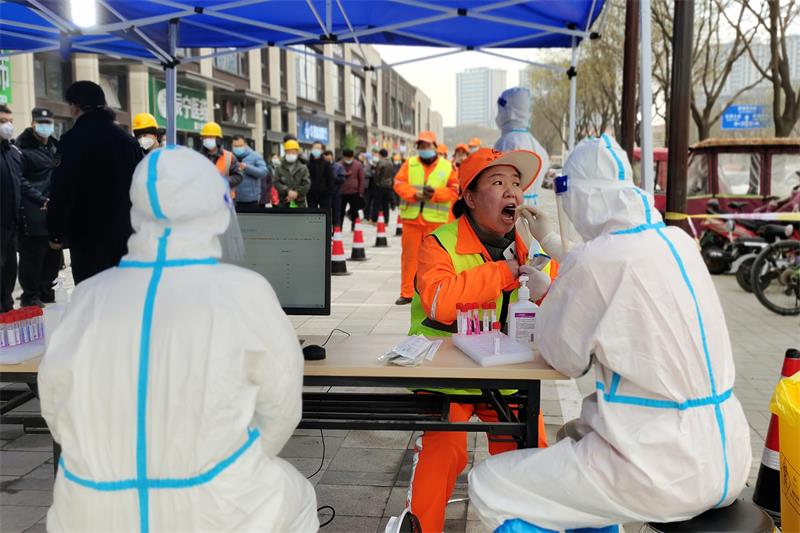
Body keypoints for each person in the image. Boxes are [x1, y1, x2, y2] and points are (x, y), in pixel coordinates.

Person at [468, 135, 752, 531]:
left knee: (489, 483)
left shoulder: (595, 261)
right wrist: (555, 250)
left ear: (580, 196)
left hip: (657, 465)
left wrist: (549, 296)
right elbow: (623, 280)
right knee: (573, 442)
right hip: (727, 454)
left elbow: (564, 358)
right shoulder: (678, 243)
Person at [38, 146, 319, 532]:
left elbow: (55, 404)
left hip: (88, 508)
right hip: (214, 504)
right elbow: (282, 410)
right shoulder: (244, 292)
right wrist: (228, 460)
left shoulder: (88, 296)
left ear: (136, 213)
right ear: (217, 209)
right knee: (296, 495)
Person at [400, 148, 552, 533]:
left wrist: (550, 257)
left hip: (506, 379)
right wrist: (502, 272)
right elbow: (440, 302)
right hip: (446, 379)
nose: (511, 193)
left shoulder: (529, 245)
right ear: (469, 197)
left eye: (516, 184)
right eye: (498, 183)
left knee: (530, 455)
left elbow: (564, 305)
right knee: (443, 452)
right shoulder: (440, 242)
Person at [47, 81, 142, 284]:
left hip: (86, 234)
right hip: (125, 232)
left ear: (74, 106)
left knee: (91, 296)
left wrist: (55, 232)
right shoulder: (127, 141)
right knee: (122, 293)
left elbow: (62, 189)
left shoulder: (72, 141)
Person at [393, 131, 459, 306]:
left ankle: (431, 293)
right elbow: (399, 184)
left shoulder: (447, 167)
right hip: (412, 221)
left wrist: (435, 194)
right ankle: (407, 293)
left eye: (427, 145)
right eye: (421, 146)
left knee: (434, 260)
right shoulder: (410, 164)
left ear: (435, 147)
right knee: (409, 258)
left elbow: (454, 190)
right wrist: (415, 194)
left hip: (436, 222)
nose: (424, 149)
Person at [16, 107, 61, 307]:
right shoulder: (22, 149)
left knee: (53, 251)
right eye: (41, 123)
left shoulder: (54, 147)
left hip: (54, 207)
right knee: (33, 254)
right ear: (33, 123)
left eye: (48, 123)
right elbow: (20, 180)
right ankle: (30, 295)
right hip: (33, 208)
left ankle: (46, 290)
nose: (45, 127)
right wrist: (40, 198)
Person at [494, 87, 550, 207]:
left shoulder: (506, 143)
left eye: (500, 110)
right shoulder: (536, 145)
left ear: (509, 111)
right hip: (533, 209)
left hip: (509, 210)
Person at [199, 121, 243, 192]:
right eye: (205, 137)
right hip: (204, 197)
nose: (206, 139)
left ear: (217, 139)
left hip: (224, 198)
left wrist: (222, 181)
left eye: (210, 137)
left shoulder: (229, 156)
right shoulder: (198, 157)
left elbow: (238, 176)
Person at [231, 135, 268, 209]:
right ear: (232, 146)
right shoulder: (229, 156)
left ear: (245, 144)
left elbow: (263, 172)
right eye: (235, 146)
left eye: (240, 145)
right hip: (233, 199)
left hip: (250, 200)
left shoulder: (255, 156)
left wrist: (246, 167)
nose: (238, 148)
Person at [274, 139, 310, 207]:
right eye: (288, 152)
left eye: (293, 152)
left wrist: (297, 193)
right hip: (284, 203)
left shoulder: (303, 168)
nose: (290, 154)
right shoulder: (279, 168)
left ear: (297, 153)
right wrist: (287, 191)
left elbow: (306, 184)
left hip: (299, 204)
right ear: (285, 152)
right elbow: (276, 182)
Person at [339, 148, 365, 230]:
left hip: (354, 192)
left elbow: (361, 178)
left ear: (353, 156)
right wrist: (345, 174)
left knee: (354, 211)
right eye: (347, 158)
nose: (348, 160)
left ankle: (355, 226)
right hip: (342, 192)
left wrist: (360, 191)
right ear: (343, 157)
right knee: (340, 211)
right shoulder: (339, 164)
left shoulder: (358, 165)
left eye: (350, 158)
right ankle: (339, 227)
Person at [306, 141, 334, 212]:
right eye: (314, 148)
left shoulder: (326, 164)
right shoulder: (308, 164)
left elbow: (330, 180)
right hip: (311, 195)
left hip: (325, 195)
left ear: (322, 151)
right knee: (312, 215)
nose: (316, 150)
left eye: (318, 148)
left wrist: (329, 193)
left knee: (325, 216)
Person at [372, 148, 395, 221]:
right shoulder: (391, 162)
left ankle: (374, 219)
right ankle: (386, 220)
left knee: (377, 203)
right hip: (388, 185)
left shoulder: (380, 162)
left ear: (380, 154)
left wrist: (376, 182)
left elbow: (377, 174)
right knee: (385, 204)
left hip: (380, 185)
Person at [324, 149, 346, 227]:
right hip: (325, 195)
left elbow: (342, 179)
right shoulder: (322, 167)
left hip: (336, 194)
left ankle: (336, 232)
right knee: (326, 214)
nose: (327, 160)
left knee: (336, 214)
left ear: (332, 157)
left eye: (328, 158)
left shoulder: (338, 167)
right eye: (325, 158)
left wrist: (332, 177)